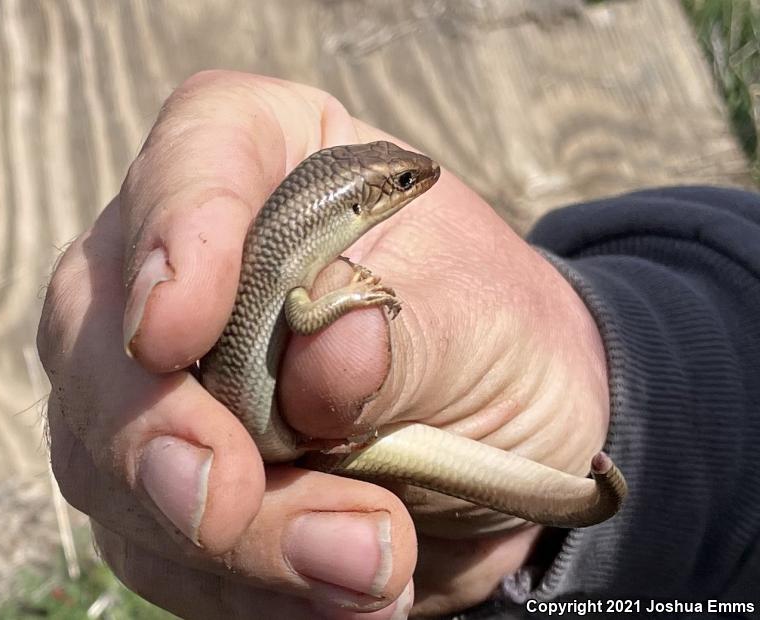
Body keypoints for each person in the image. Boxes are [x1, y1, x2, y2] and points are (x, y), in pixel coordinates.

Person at [37, 71, 760, 619]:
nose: (419, 183)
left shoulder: (296, 261)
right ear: (357, 206)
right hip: (277, 443)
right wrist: (350, 298)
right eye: (400, 185)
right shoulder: (292, 278)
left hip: (297, 444)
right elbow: (302, 309)